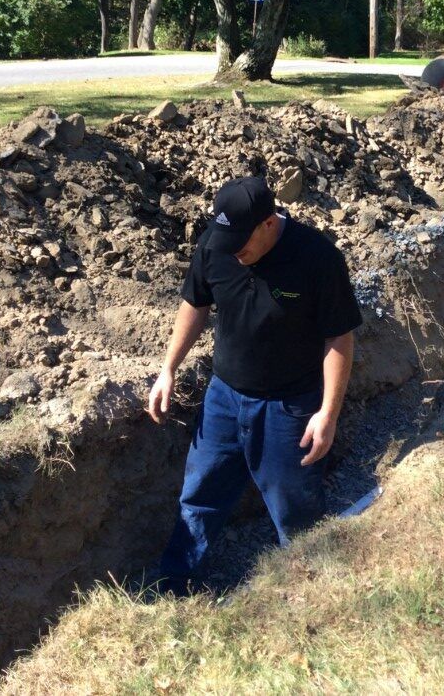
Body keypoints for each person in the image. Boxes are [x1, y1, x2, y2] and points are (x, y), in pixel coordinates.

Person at [148, 175, 362, 594]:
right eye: (226, 242)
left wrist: (327, 414)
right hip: (223, 398)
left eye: (241, 244)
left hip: (290, 406)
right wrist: (169, 368)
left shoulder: (316, 258)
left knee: (295, 513)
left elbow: (339, 337)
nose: (234, 253)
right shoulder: (217, 245)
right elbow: (195, 303)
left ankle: (307, 594)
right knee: (200, 495)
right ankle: (174, 587)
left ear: (269, 223)